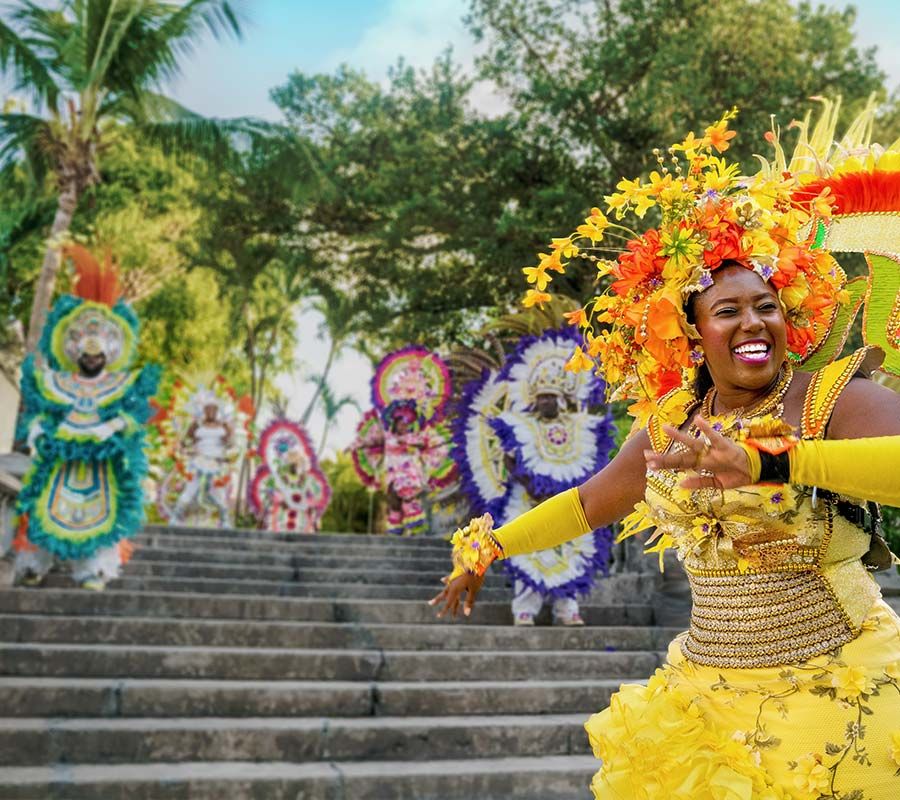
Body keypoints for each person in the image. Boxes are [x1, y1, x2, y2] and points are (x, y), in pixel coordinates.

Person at [431, 105, 900, 798]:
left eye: (767, 305)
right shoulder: (671, 423)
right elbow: (589, 502)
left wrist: (780, 461)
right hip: (704, 702)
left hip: (836, 694)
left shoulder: (833, 397)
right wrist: (491, 548)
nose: (753, 322)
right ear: (693, 335)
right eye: (728, 310)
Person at [14, 245, 158, 590]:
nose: (92, 357)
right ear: (74, 349)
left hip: (101, 462)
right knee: (44, 504)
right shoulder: (56, 382)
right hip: (60, 458)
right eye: (86, 352)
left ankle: (94, 570)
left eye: (98, 353)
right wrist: (37, 432)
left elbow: (134, 417)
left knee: (102, 511)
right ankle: (34, 564)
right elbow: (40, 412)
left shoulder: (121, 385)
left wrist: (110, 427)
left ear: (110, 351)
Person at [171, 393, 232, 527]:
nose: (211, 411)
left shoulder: (224, 425)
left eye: (213, 409)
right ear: (204, 410)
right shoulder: (196, 424)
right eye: (208, 408)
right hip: (198, 461)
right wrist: (183, 448)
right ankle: (176, 517)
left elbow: (230, 444)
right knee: (190, 489)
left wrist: (228, 452)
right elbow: (185, 442)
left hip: (216, 463)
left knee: (218, 492)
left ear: (217, 410)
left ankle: (225, 520)